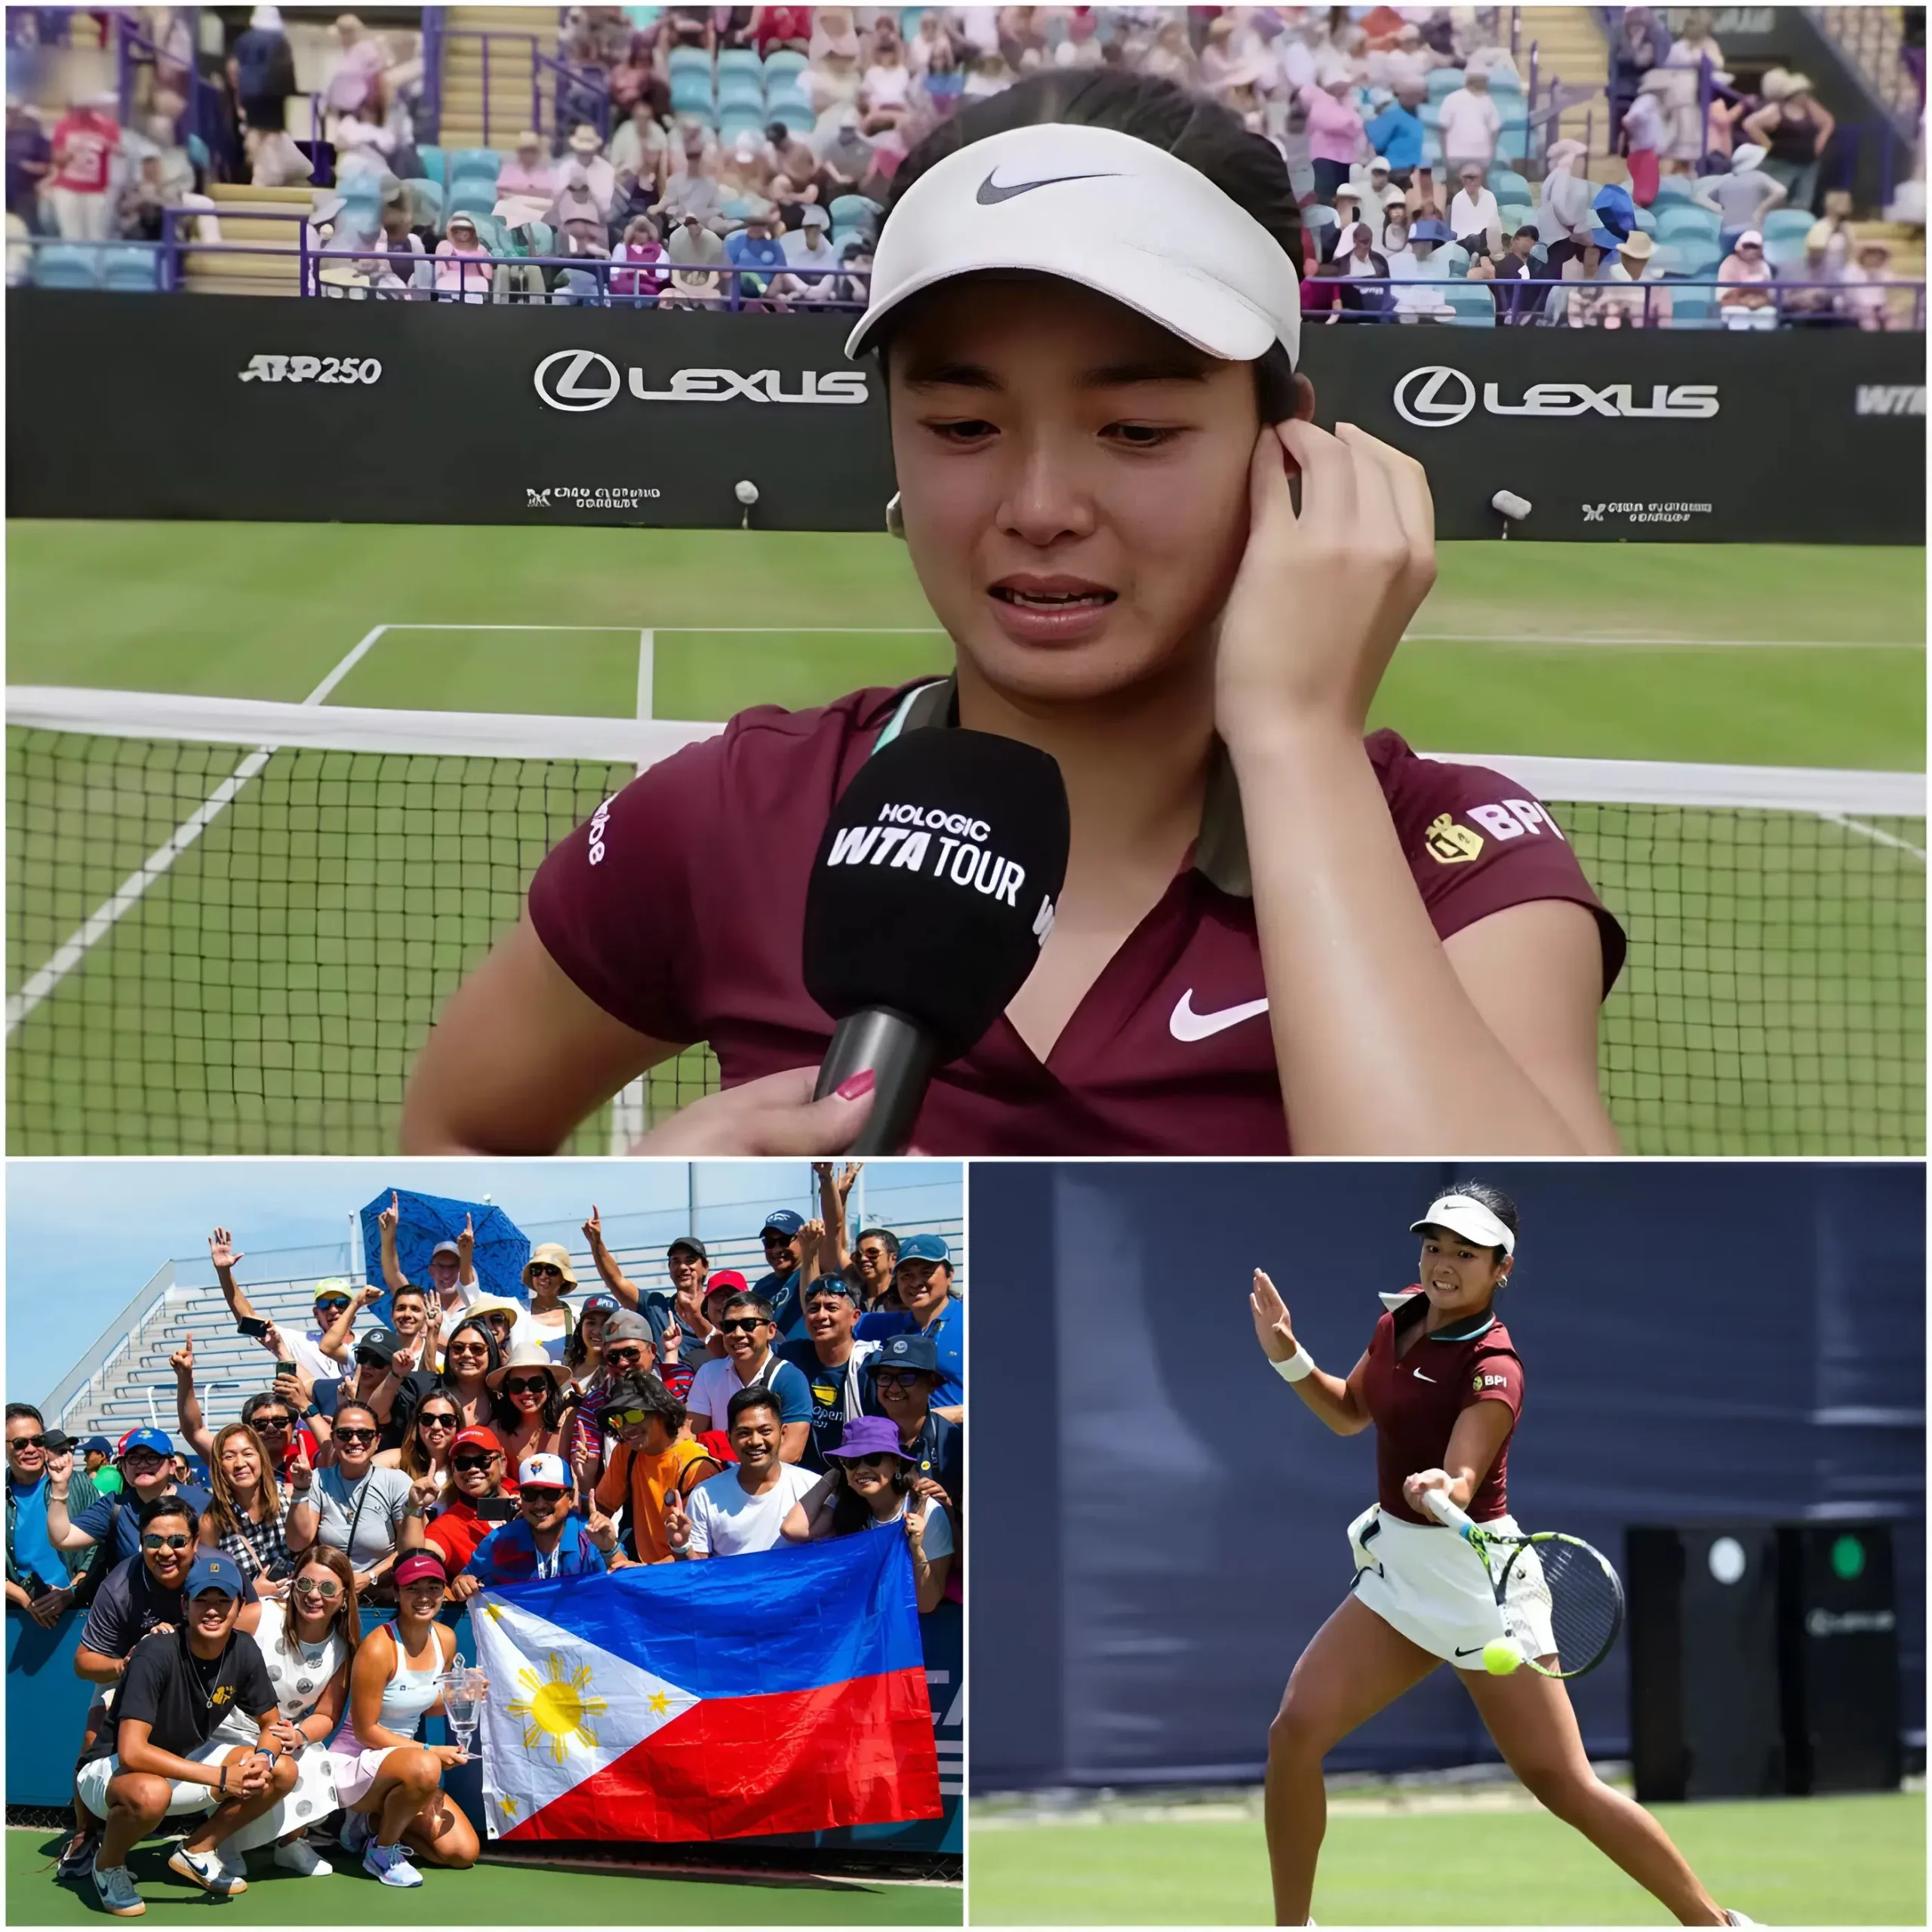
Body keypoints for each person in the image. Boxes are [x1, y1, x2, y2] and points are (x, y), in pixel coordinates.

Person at [405, 70, 1627, 1161]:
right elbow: (455, 1135)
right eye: (962, 427)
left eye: (1138, 430)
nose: (1040, 508)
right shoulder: (730, 814)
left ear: (1285, 442)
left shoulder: (1456, 859)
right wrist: (650, 1233)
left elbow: (1520, 1325)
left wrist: (1299, 737)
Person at [1251, 1185, 1752, 1928]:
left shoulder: (1494, 1364)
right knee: (1294, 1731)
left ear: (1501, 1269)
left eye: (1465, 1253)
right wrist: (1288, 1355)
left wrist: (1442, 1484)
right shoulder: (1403, 1318)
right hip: (1402, 1574)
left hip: (1479, 1585)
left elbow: (1464, 1467)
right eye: (1435, 1247)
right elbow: (1350, 1412)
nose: (1444, 1263)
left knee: (1562, 1783)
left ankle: (1715, 1923)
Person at [76, 1552, 298, 1914]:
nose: (212, 1610)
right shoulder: (155, 1652)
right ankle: (108, 1865)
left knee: (281, 1771)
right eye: (202, 1600)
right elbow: (132, 1752)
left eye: (223, 1600)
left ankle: (197, 1850)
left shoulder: (243, 1648)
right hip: (112, 1771)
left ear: (240, 1605)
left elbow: (271, 1725)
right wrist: (222, 1777)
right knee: (151, 1792)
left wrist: (263, 1756)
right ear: (185, 1604)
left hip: (182, 1762)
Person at [329, 1552, 479, 1886]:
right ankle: (381, 1851)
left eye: (433, 1586)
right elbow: (367, 1732)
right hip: (356, 1764)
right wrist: (429, 1752)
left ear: (444, 1591)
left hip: (408, 1765)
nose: (424, 1597)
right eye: (412, 1588)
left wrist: (461, 1693)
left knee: (462, 1853)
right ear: (396, 1593)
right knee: (427, 1767)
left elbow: (427, 1705)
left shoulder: (446, 1638)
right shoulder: (378, 1648)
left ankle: (370, 1826)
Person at [214, 1546, 360, 1877]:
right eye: (306, 1585)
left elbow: (326, 1715)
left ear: (343, 1595)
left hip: (282, 1733)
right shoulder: (261, 1617)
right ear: (293, 1583)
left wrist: (301, 1734)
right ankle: (227, 1842)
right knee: (256, 1767)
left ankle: (290, 1843)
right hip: (226, 1725)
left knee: (316, 1761)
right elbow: (205, 1651)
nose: (314, 1596)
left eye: (326, 1589)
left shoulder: (341, 1648)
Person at [779, 1416, 953, 1611]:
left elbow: (927, 1604)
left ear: (896, 1463)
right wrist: (834, 1475)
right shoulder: (847, 1506)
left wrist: (917, 1550)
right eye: (852, 1461)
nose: (861, 1469)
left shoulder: (927, 1511)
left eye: (873, 1459)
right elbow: (792, 1529)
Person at [669, 1389, 820, 1558]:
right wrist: (682, 1546)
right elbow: (697, 1573)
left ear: (782, 1433)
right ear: (729, 1438)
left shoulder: (812, 1489)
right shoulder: (705, 1496)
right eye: (744, 1433)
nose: (755, 1441)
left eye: (765, 1431)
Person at [590, 1375, 723, 1564]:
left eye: (634, 1414)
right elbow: (601, 1509)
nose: (627, 1427)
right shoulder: (627, 1451)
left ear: (661, 1412)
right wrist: (584, 1480)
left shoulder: (697, 1466)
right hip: (645, 1568)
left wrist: (641, 1570)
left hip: (689, 1575)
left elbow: (699, 1553)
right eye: (617, 1420)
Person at [286, 1403, 410, 1598]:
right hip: (328, 1594)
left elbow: (409, 1547)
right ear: (333, 1439)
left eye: (364, 1434)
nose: (354, 1441)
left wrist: (371, 1577)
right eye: (345, 1434)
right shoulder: (318, 1479)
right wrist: (300, 1491)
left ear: (377, 1441)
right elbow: (297, 1542)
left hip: (381, 1594)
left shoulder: (396, 1482)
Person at [47, 1426, 211, 1568]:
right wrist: (60, 1487)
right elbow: (62, 1539)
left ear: (172, 1466)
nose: (142, 1464)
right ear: (124, 1467)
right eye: (133, 1458)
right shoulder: (115, 1506)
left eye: (152, 1457)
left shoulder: (201, 1502)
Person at [456, 1453, 620, 1592]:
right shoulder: (500, 1540)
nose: (540, 1504)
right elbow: (464, 1578)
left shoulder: (591, 1537)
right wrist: (462, 1583)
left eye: (550, 1494)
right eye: (530, 1494)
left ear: (570, 1498)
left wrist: (610, 1551)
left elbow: (626, 1583)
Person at [211, 1232, 356, 1386]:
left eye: (341, 1303)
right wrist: (224, 1272)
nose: (333, 1310)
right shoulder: (304, 1343)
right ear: (316, 1313)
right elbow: (247, 1319)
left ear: (352, 1309)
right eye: (325, 1304)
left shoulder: (366, 1346)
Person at [685, 1294, 814, 1458]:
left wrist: (741, 1476)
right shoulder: (708, 1373)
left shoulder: (790, 1378)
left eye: (749, 1325)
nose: (738, 1334)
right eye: (729, 1326)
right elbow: (690, 1435)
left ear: (771, 1331)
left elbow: (791, 1452)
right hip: (721, 1476)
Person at [777, 1277, 881, 1469]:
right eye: (814, 1309)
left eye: (832, 1308)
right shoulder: (790, 1355)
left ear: (855, 1317)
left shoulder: (874, 1366)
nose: (821, 1316)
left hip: (859, 1477)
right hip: (803, 1480)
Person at [8, 1403, 94, 1623]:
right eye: (19, 1444)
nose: (30, 1449)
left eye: (37, 1441)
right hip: (19, 1617)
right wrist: (25, 1600)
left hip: (79, 1611)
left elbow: (101, 1543)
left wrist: (72, 1590)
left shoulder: (78, 1483)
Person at [857, 1235, 963, 1410]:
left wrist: (951, 1416)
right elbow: (822, 1313)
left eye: (926, 1273)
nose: (915, 1283)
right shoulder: (883, 1326)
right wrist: (811, 1257)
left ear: (950, 1275)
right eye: (906, 1275)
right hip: (898, 1436)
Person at [863, 1332, 963, 1507]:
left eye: (906, 1378)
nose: (893, 1388)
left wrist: (946, 1506)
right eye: (885, 1378)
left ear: (931, 1384)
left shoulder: (953, 1442)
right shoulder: (863, 1437)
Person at [203, 1423, 296, 1594]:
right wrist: (252, 1592)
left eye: (248, 1454)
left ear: (261, 1458)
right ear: (219, 1467)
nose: (240, 1463)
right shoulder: (212, 1522)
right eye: (229, 1457)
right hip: (252, 1614)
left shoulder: (291, 1497)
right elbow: (212, 1584)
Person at [1743, 71, 1833, 217]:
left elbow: (1827, 121)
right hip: (1782, 162)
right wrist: (1767, 144)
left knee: (1803, 203)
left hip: (1808, 164)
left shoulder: (1810, 107)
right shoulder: (1776, 109)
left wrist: (1819, 143)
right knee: (1776, 201)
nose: (1805, 96)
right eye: (1801, 93)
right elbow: (1750, 124)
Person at [377, 1195, 479, 1321]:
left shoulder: (476, 1307)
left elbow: (469, 1287)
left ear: (461, 1270)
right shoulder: (420, 1308)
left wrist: (467, 1254)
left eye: (453, 1267)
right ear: (431, 1271)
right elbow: (393, 1275)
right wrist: (388, 1235)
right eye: (441, 1267)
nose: (446, 1275)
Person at [485, 1344, 571, 1478]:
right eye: (517, 1385)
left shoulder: (568, 1421)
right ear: (508, 1389)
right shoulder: (496, 1431)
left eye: (536, 1383)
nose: (527, 1392)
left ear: (550, 1386)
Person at [1691, 141, 1785, 254]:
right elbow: (1781, 191)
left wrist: (1719, 210)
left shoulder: (1726, 180)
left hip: (1727, 232)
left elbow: (1699, 197)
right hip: (1751, 232)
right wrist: (1761, 210)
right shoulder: (1758, 177)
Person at [1299, 74, 1363, 204]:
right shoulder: (1320, 101)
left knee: (1343, 198)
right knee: (1326, 198)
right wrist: (1347, 124)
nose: (1342, 90)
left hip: (1345, 159)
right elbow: (1330, 122)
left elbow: (1357, 126)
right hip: (1325, 158)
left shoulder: (1348, 103)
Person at [378, 1387, 460, 1487]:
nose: (436, 1427)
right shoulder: (397, 1460)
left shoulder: (468, 1465)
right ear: (417, 1424)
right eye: (427, 1419)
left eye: (446, 1420)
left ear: (458, 1424)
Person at [435, 1317, 503, 1431]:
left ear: (491, 1354)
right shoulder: (427, 1388)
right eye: (458, 1347)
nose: (466, 1354)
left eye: (477, 1349)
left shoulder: (504, 1405)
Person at [1435, 66, 1499, 176]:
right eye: (1481, 82)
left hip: (1482, 157)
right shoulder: (1452, 99)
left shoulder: (1488, 101)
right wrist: (1445, 157)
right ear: (1469, 82)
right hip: (1455, 156)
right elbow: (1442, 129)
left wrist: (1491, 157)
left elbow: (1495, 131)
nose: (1484, 85)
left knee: (1479, 191)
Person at [1363, 82, 1424, 184]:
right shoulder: (1392, 114)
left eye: (1417, 95)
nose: (1414, 98)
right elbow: (1377, 142)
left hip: (1420, 169)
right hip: (1397, 169)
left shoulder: (1422, 114)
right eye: (1410, 95)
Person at [521, 1246, 577, 1355]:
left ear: (564, 1278)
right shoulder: (516, 1310)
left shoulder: (578, 1316)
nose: (543, 1276)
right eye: (537, 1270)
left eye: (551, 1270)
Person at [1717, 226, 1775, 328]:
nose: (1751, 251)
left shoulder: (1763, 266)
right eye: (1747, 247)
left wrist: (1757, 301)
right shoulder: (1728, 264)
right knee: (1739, 314)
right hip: (1734, 305)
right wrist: (1742, 299)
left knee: (1769, 313)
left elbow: (1769, 295)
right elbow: (1721, 297)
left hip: (1758, 305)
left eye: (1754, 247)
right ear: (1739, 247)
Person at [433, 211, 492, 303]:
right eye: (458, 231)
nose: (463, 233)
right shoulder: (444, 245)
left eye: (466, 230)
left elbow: (488, 275)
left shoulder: (480, 248)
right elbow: (440, 272)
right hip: (450, 280)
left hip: (476, 281)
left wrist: (481, 257)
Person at [1447, 162, 1500, 256]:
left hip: (1487, 243)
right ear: (1462, 180)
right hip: (1464, 244)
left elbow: (1494, 226)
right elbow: (1456, 231)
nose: (1471, 181)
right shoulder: (1458, 199)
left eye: (1474, 178)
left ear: (1480, 179)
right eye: (1467, 178)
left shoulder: (1490, 196)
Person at [497, 130, 555, 202]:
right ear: (519, 153)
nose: (528, 155)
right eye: (525, 151)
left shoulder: (547, 174)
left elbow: (550, 196)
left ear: (537, 154)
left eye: (532, 152)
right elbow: (500, 194)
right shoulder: (507, 171)